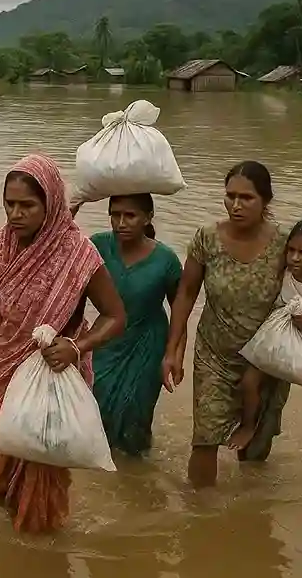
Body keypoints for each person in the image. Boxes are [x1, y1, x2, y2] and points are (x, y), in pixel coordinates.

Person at [0, 154, 127, 533]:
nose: (16, 214)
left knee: (40, 475)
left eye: (27, 205)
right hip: (4, 372)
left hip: (52, 374)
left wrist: (79, 346)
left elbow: (115, 316)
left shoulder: (77, 253)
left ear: (50, 203)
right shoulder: (0, 245)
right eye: (9, 204)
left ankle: (39, 548)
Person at [162, 160, 289, 488]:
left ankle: (247, 520)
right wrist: (173, 350)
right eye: (230, 196)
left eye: (246, 198)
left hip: (265, 361)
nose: (236, 204)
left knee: (256, 450)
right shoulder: (207, 238)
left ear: (265, 201)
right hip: (214, 355)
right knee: (204, 439)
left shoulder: (285, 246)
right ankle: (201, 517)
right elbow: (186, 293)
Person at [81, 194, 183, 456]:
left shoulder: (166, 260)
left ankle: (137, 471)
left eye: (130, 216)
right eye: (115, 215)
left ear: (148, 218)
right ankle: (107, 483)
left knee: (136, 415)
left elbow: (180, 311)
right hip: (106, 340)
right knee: (94, 407)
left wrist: (173, 354)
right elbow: (71, 286)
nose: (121, 223)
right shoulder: (97, 246)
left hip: (147, 344)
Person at [228, 218, 302, 450]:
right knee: (248, 383)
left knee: (258, 387)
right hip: (271, 334)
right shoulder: (286, 269)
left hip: (288, 340)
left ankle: (250, 427)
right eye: (291, 250)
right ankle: (248, 424)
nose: (295, 257)